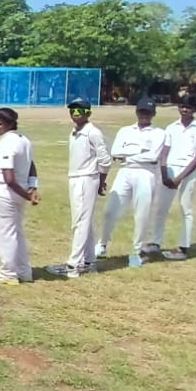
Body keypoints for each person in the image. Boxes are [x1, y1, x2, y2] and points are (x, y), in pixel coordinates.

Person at [97, 97, 165, 268]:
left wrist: (128, 153)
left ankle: (137, 251)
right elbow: (115, 152)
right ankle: (102, 244)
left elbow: (152, 156)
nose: (144, 115)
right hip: (125, 171)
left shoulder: (159, 133)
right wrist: (138, 151)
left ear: (153, 114)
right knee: (110, 211)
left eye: (148, 112)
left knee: (142, 214)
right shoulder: (125, 131)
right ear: (136, 112)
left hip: (146, 173)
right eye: (142, 112)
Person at [46, 97, 111, 278]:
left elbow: (105, 160)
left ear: (88, 113)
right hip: (75, 178)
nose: (75, 114)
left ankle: (74, 265)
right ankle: (89, 261)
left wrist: (101, 181)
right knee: (84, 221)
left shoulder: (93, 132)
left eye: (79, 111)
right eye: (72, 111)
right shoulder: (74, 132)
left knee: (79, 223)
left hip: (86, 179)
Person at [148, 93, 196, 260]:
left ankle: (183, 247)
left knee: (185, 208)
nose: (184, 110)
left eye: (188, 107)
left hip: (188, 172)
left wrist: (180, 178)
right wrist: (164, 173)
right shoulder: (172, 127)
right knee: (161, 208)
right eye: (182, 106)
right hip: (170, 172)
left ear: (194, 109)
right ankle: (155, 242)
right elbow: (164, 152)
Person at [0, 107, 38, 285]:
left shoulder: (8, 143)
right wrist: (32, 187)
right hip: (18, 191)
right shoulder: (24, 140)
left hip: (4, 191)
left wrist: (28, 195)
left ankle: (8, 272)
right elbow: (32, 165)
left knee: (5, 233)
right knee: (16, 232)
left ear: (10, 124)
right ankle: (24, 270)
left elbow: (8, 178)